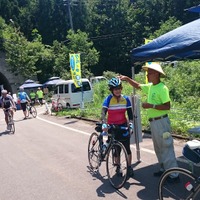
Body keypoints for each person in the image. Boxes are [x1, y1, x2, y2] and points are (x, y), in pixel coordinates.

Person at [119, 63, 179, 183]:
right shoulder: (151, 86)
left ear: (156, 74)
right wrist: (126, 79)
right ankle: (164, 169)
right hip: (155, 122)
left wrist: (151, 105)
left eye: (149, 72)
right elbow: (137, 85)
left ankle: (174, 175)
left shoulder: (162, 88)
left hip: (161, 121)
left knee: (166, 147)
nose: (147, 74)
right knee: (158, 148)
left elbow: (167, 106)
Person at [101, 77, 134, 177]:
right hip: (112, 126)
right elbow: (103, 112)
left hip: (123, 125)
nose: (118, 90)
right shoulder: (108, 99)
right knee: (116, 149)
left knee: (127, 148)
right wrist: (104, 123)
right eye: (115, 89)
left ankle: (129, 167)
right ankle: (118, 167)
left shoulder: (126, 99)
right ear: (112, 90)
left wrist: (131, 124)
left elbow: (130, 114)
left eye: (119, 88)